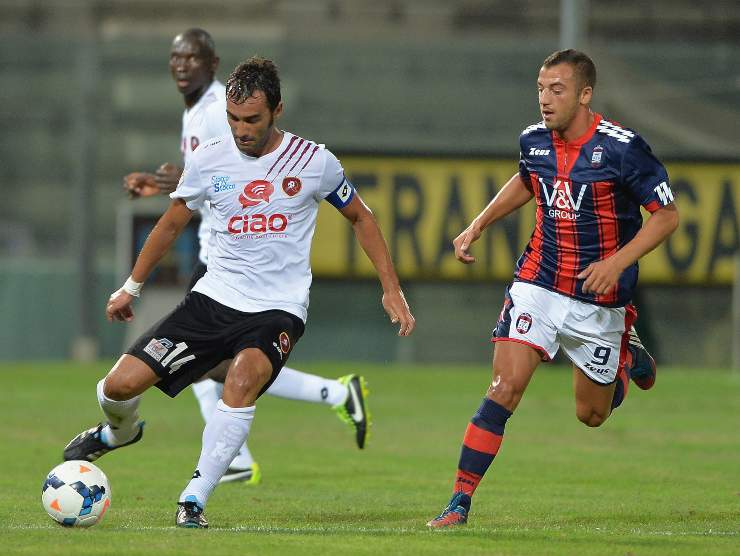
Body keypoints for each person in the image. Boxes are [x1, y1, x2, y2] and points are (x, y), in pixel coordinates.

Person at [63, 55, 415, 528]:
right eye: (233, 119)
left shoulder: (314, 162)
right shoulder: (209, 158)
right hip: (213, 299)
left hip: (278, 307)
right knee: (116, 388)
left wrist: (391, 289)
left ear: (277, 111)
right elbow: (171, 222)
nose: (241, 129)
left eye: (252, 119)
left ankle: (194, 498)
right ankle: (119, 433)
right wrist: (131, 286)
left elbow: (362, 218)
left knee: (242, 380)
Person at [426, 49, 678, 528]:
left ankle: (623, 350)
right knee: (503, 389)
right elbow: (527, 181)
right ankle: (458, 502)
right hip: (537, 283)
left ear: (585, 95)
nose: (545, 99)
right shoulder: (533, 141)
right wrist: (476, 225)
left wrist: (617, 262)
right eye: (541, 89)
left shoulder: (623, 148)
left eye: (557, 89)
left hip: (599, 300)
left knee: (591, 415)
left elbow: (667, 216)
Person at [123, 29, 374, 486]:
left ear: (211, 63)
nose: (182, 65)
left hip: (238, 263)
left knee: (230, 366)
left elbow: (238, 169)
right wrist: (162, 186)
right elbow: (205, 177)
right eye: (176, 56)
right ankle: (332, 393)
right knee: (230, 366)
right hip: (221, 265)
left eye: (192, 57)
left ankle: (228, 462)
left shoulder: (229, 110)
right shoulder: (206, 111)